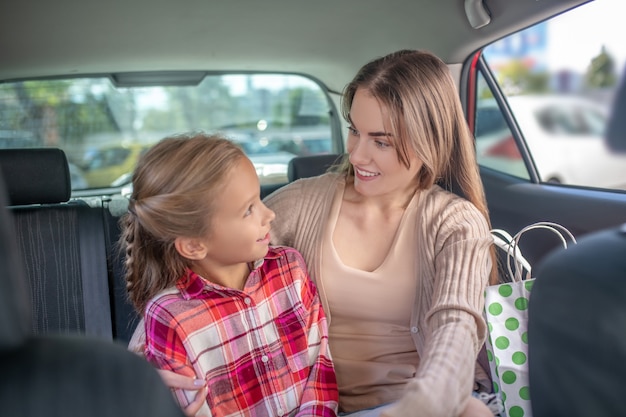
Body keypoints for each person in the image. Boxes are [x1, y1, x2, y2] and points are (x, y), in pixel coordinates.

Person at [134, 49, 499, 417]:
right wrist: (141, 370)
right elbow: (197, 277)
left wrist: (416, 409)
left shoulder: (456, 223)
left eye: (381, 141)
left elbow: (457, 331)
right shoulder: (303, 203)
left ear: (429, 142)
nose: (356, 155)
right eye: (355, 131)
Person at [120, 133, 338, 416]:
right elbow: (193, 408)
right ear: (195, 245)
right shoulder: (170, 317)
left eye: (259, 199)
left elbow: (319, 367)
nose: (269, 213)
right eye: (248, 210)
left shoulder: (289, 269)